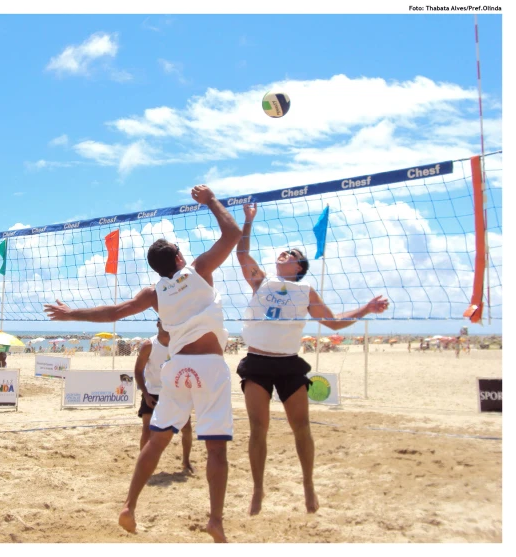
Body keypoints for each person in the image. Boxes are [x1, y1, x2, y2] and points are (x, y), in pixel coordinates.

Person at [45, 184, 241, 542]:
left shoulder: (153, 293)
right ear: (179, 259)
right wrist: (211, 200)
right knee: (215, 448)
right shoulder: (199, 270)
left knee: (155, 440)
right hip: (210, 368)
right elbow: (233, 233)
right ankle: (215, 519)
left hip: (177, 370)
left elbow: (114, 312)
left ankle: (129, 505)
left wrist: (71, 313)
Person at [235, 202, 390, 516]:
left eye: (293, 254)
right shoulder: (261, 281)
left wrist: (365, 310)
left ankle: (308, 484)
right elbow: (240, 253)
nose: (286, 254)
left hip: (289, 362)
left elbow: (332, 323)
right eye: (285, 251)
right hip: (257, 362)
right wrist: (248, 221)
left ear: (299, 267)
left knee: (301, 426)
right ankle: (258, 489)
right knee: (257, 429)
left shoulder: (306, 290)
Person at [134, 320, 194, 474]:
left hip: (175, 392)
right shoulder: (149, 345)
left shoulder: (180, 344)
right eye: (163, 321)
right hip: (153, 392)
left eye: (169, 321)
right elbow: (138, 370)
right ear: (157, 324)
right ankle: (143, 465)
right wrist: (145, 394)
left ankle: (186, 462)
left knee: (186, 428)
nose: (167, 324)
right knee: (147, 429)